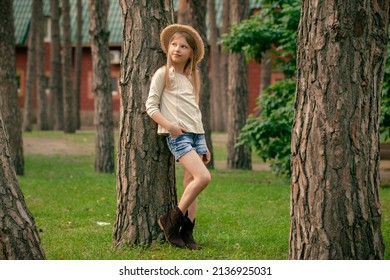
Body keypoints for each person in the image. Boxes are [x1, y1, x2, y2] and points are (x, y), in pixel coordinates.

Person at [145, 24, 211, 250]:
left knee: (192, 181)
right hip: (178, 135)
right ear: (168, 48)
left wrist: (204, 143)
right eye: (174, 44)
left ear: (191, 52)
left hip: (196, 135)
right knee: (204, 178)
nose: (178, 49)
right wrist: (170, 127)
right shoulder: (164, 74)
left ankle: (188, 231)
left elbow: (194, 111)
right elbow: (151, 106)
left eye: (183, 46)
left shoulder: (192, 77)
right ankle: (170, 221)